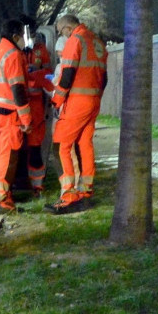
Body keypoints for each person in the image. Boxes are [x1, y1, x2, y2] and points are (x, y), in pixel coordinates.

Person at [46, 14, 108, 215]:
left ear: (66, 26)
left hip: (77, 101)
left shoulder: (76, 40)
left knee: (61, 144)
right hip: (93, 100)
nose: (62, 34)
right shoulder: (97, 41)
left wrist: (57, 100)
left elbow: (68, 74)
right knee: (84, 143)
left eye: (61, 30)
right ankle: (85, 191)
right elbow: (103, 77)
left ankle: (69, 194)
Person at [0, 20, 33, 214]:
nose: (23, 39)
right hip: (9, 112)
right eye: (21, 35)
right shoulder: (13, 55)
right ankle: (2, 200)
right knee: (8, 155)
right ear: (15, 35)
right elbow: (18, 90)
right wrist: (27, 120)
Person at [24, 33, 54, 196]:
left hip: (34, 110)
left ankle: (37, 185)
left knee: (34, 149)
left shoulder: (40, 51)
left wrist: (37, 72)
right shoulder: (15, 53)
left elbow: (48, 73)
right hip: (19, 110)